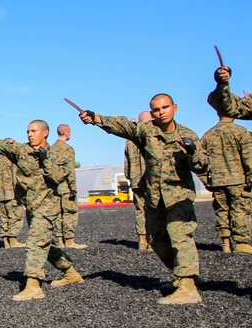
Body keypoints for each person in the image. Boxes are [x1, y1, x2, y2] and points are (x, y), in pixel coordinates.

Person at [79, 94, 209, 304]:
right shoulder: (147, 131)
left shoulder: (187, 135)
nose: (161, 112)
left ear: (174, 107)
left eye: (165, 107)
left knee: (180, 235)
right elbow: (124, 127)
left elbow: (202, 166)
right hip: (155, 197)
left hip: (179, 197)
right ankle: (184, 276)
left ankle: (188, 287)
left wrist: (192, 151)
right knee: (156, 238)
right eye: (156, 109)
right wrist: (97, 118)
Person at [0, 122, 84, 301]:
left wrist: (46, 160)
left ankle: (33, 285)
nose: (30, 134)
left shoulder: (57, 154)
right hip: (31, 205)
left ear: (45, 133)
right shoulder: (21, 151)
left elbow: (58, 177)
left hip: (48, 205)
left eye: (34, 131)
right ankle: (71, 273)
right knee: (47, 244)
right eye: (28, 131)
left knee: (35, 242)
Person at [198, 106, 252, 253]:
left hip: (217, 181)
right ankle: (241, 242)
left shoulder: (208, 135)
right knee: (240, 210)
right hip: (238, 180)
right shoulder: (241, 132)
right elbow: (249, 158)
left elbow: (200, 161)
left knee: (222, 211)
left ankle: (225, 242)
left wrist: (207, 181)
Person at [52, 124, 85, 249]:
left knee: (58, 214)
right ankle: (69, 241)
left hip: (54, 188)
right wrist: (73, 188)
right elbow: (70, 170)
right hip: (66, 187)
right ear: (67, 133)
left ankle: (59, 240)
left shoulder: (51, 149)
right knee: (69, 213)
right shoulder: (68, 149)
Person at [124, 111, 153, 249]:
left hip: (135, 179)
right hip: (151, 179)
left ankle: (142, 240)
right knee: (153, 210)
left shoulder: (129, 140)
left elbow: (126, 164)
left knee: (140, 210)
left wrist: (130, 177)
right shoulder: (151, 135)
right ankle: (153, 240)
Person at [0, 153, 26, 248]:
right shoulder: (12, 159)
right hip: (12, 193)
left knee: (4, 217)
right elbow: (15, 177)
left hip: (0, 194)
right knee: (15, 216)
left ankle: (6, 241)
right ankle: (13, 241)